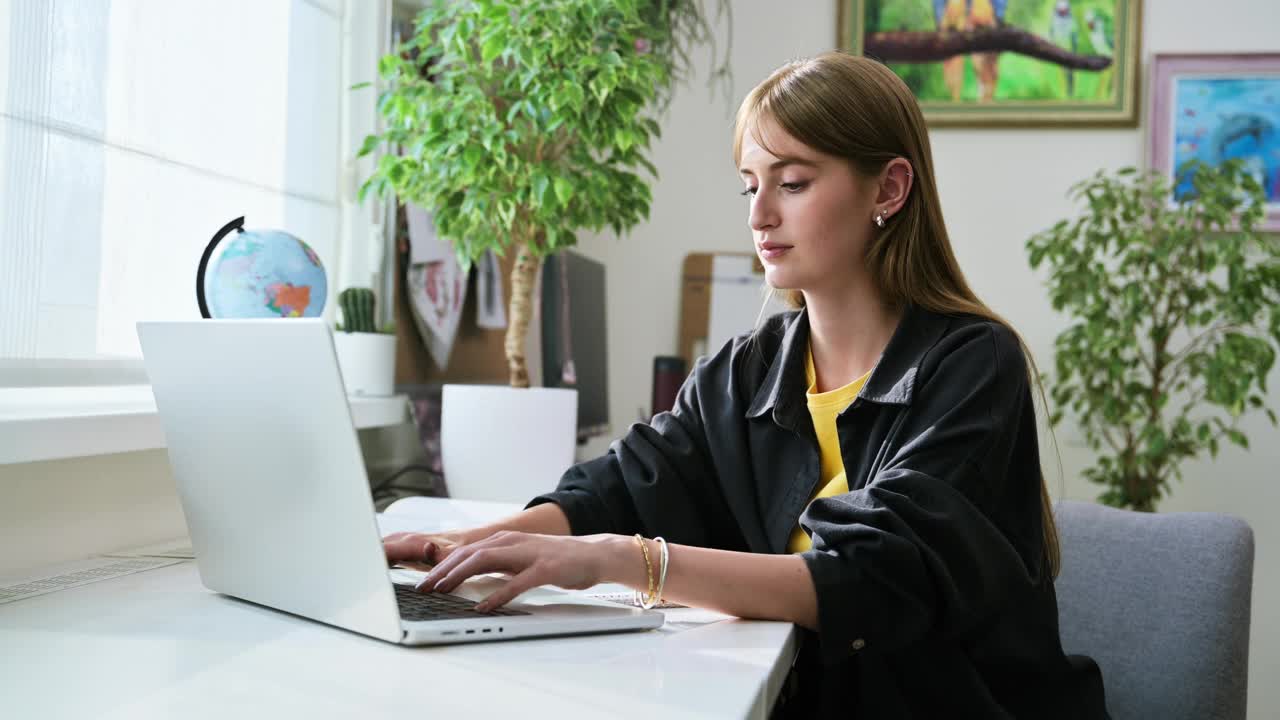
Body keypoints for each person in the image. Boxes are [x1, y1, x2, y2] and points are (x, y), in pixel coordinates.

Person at [384, 51, 1109, 718]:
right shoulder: (748, 369)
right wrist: (460, 545)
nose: (760, 214)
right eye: (751, 185)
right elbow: (619, 486)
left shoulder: (974, 364)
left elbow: (873, 577)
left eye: (792, 183)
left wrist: (620, 559)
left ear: (888, 188)